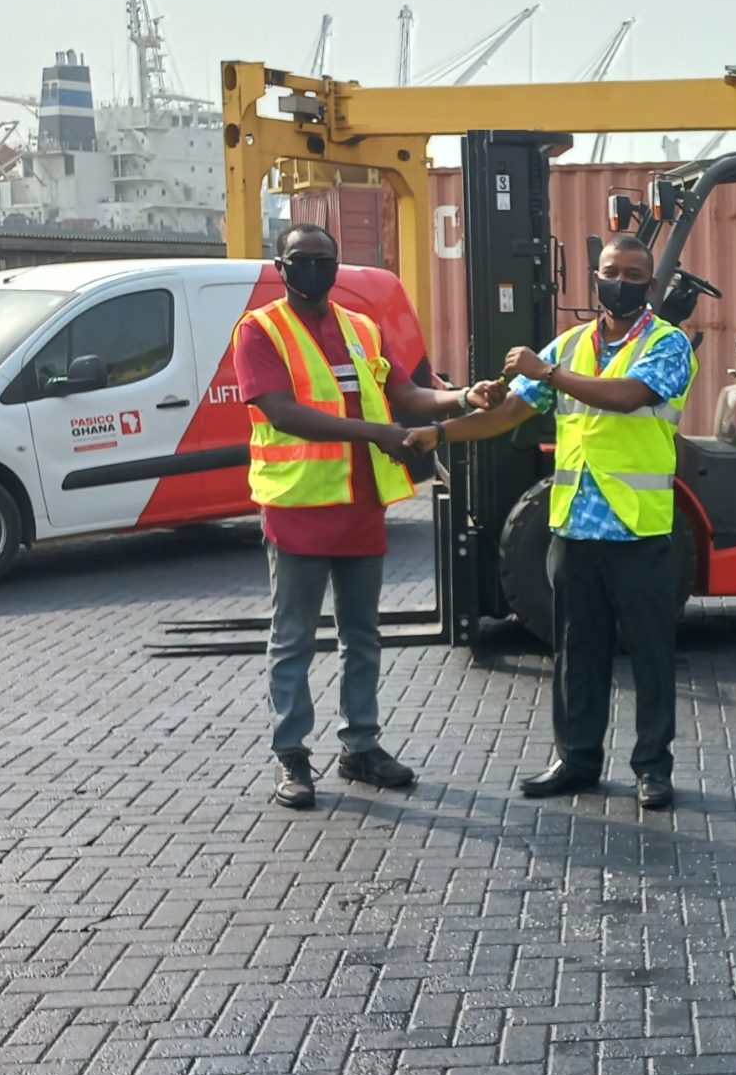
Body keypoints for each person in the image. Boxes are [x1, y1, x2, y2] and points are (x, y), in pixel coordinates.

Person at [430, 234, 692, 809]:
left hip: (639, 529)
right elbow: (507, 414)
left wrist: (546, 373)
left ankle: (653, 767)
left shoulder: (668, 344)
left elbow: (626, 396)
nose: (618, 282)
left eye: (631, 274)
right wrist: (443, 428)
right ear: (593, 278)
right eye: (609, 271)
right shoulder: (571, 345)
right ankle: (576, 760)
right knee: (575, 652)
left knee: (649, 653)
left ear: (649, 286)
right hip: (575, 528)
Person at [234, 223, 478, 810]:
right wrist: (377, 434)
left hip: (360, 503)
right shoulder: (259, 330)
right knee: (293, 637)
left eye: (324, 259)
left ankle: (360, 746)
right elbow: (283, 413)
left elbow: (410, 397)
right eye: (302, 259)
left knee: (361, 636)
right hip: (297, 506)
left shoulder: (361, 329)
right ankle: (291, 755)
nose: (314, 269)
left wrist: (466, 397)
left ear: (337, 265)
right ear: (281, 265)